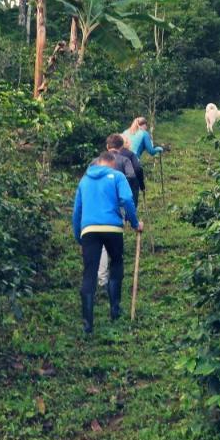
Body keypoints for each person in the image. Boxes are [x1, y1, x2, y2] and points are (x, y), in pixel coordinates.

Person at [72, 151, 142, 335]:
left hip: (89, 230)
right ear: (110, 163)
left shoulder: (84, 180)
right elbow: (126, 199)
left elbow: (77, 210)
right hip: (112, 228)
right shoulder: (117, 176)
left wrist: (78, 235)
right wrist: (134, 223)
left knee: (89, 273)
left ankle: (88, 325)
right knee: (116, 263)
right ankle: (115, 310)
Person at [98, 134, 143, 290]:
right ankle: (114, 278)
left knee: (102, 245)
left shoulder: (98, 161)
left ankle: (102, 279)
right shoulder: (124, 160)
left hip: (99, 202)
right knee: (115, 235)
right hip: (118, 202)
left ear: (107, 147)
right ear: (122, 146)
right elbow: (132, 174)